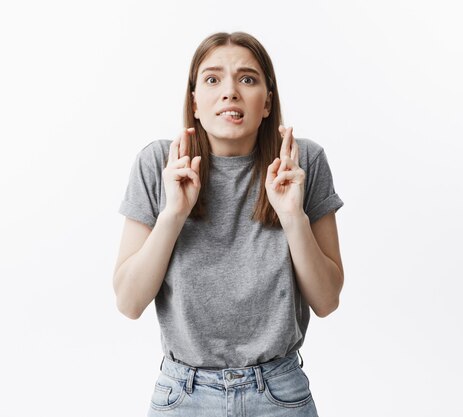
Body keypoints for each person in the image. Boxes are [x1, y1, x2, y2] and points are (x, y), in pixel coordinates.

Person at [113, 31, 344, 416]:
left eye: (248, 79)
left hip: (278, 394)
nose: (230, 92)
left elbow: (326, 300)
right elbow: (129, 302)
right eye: (213, 79)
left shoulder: (303, 163)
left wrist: (292, 216)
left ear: (267, 102)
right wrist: (172, 215)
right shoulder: (158, 164)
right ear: (195, 102)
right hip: (183, 395)